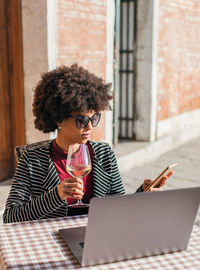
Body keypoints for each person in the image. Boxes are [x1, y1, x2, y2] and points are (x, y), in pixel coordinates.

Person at [3, 64, 173, 223]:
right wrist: (57, 195)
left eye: (94, 118)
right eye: (81, 120)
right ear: (58, 118)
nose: (90, 126)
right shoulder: (32, 160)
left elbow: (119, 206)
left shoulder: (103, 153)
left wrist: (142, 194)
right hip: (53, 238)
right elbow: (10, 216)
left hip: (98, 234)